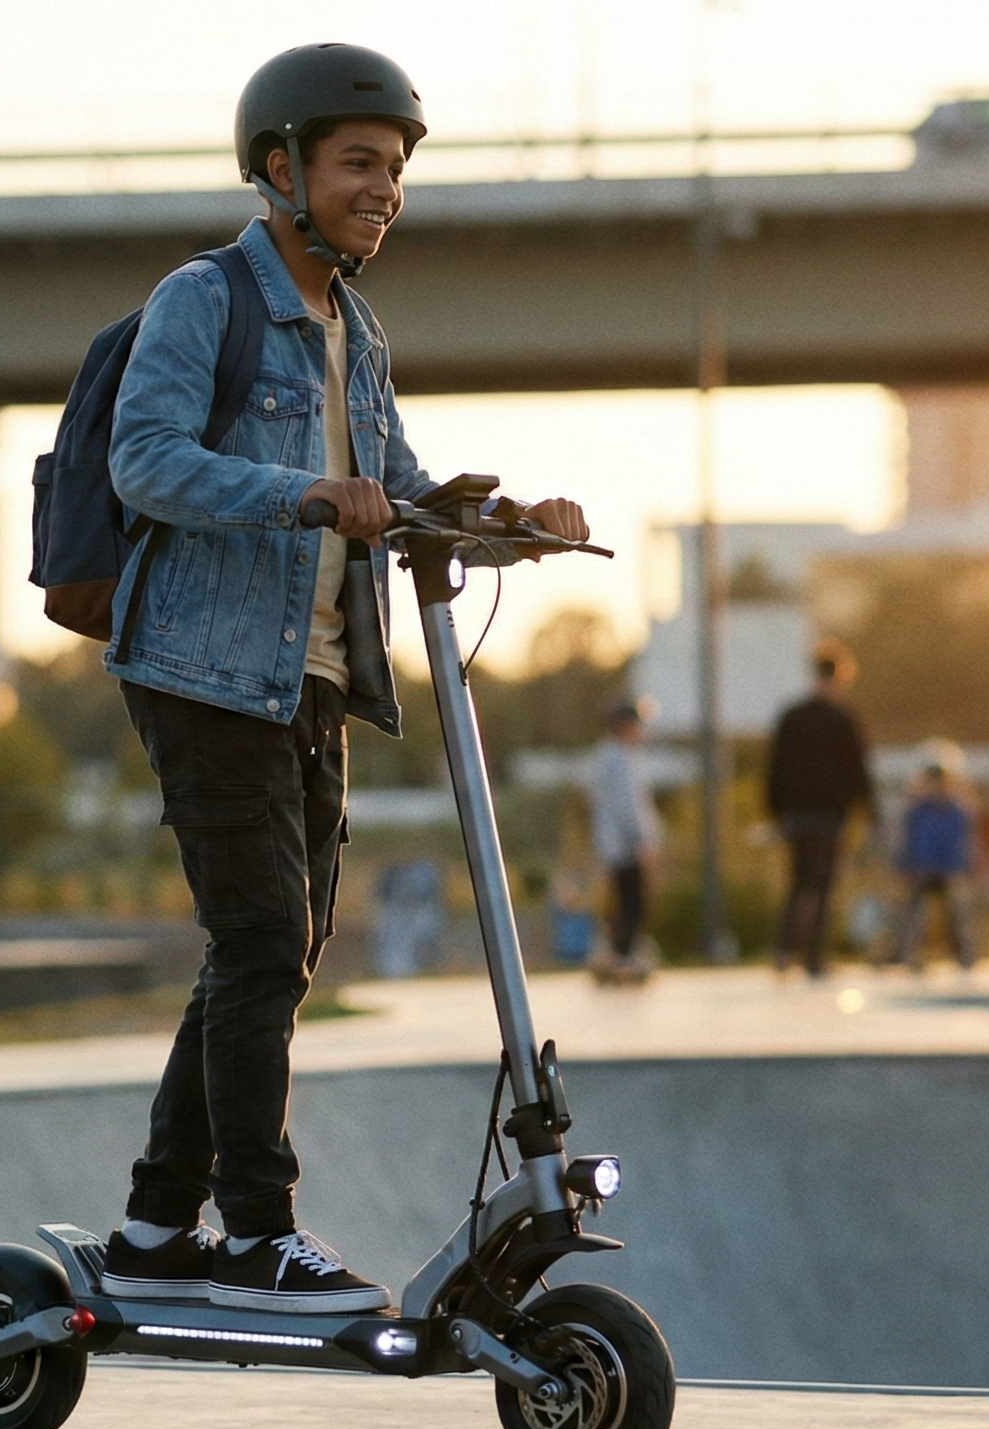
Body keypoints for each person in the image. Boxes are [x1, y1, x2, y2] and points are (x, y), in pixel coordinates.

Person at [96, 44, 592, 1315]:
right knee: (260, 941)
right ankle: (258, 1237)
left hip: (314, 679)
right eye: (359, 163)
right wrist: (303, 493)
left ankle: (157, 1229)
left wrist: (505, 516)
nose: (385, 188)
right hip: (204, 670)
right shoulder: (201, 299)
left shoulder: (355, 329)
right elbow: (142, 461)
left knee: (273, 951)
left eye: (398, 170)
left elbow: (402, 486)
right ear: (279, 167)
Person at [765, 639, 874, 980]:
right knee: (823, 885)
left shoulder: (791, 718)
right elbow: (858, 769)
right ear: (841, 677)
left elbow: (775, 767)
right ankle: (813, 957)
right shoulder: (843, 720)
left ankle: (784, 950)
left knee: (798, 883)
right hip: (829, 815)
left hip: (796, 814)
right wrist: (869, 810)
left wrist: (775, 810)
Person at [590, 697, 663, 985]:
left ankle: (617, 951)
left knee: (623, 898)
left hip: (613, 842)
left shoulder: (607, 756)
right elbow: (630, 806)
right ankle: (623, 953)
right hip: (626, 844)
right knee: (634, 900)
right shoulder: (623, 758)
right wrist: (643, 841)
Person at [892, 755, 977, 974]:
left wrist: (963, 868)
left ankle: (963, 954)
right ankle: (909, 954)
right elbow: (907, 840)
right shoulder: (917, 811)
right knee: (915, 914)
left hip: (949, 869)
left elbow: (964, 843)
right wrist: (904, 865)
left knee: (957, 911)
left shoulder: (958, 811)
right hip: (921, 868)